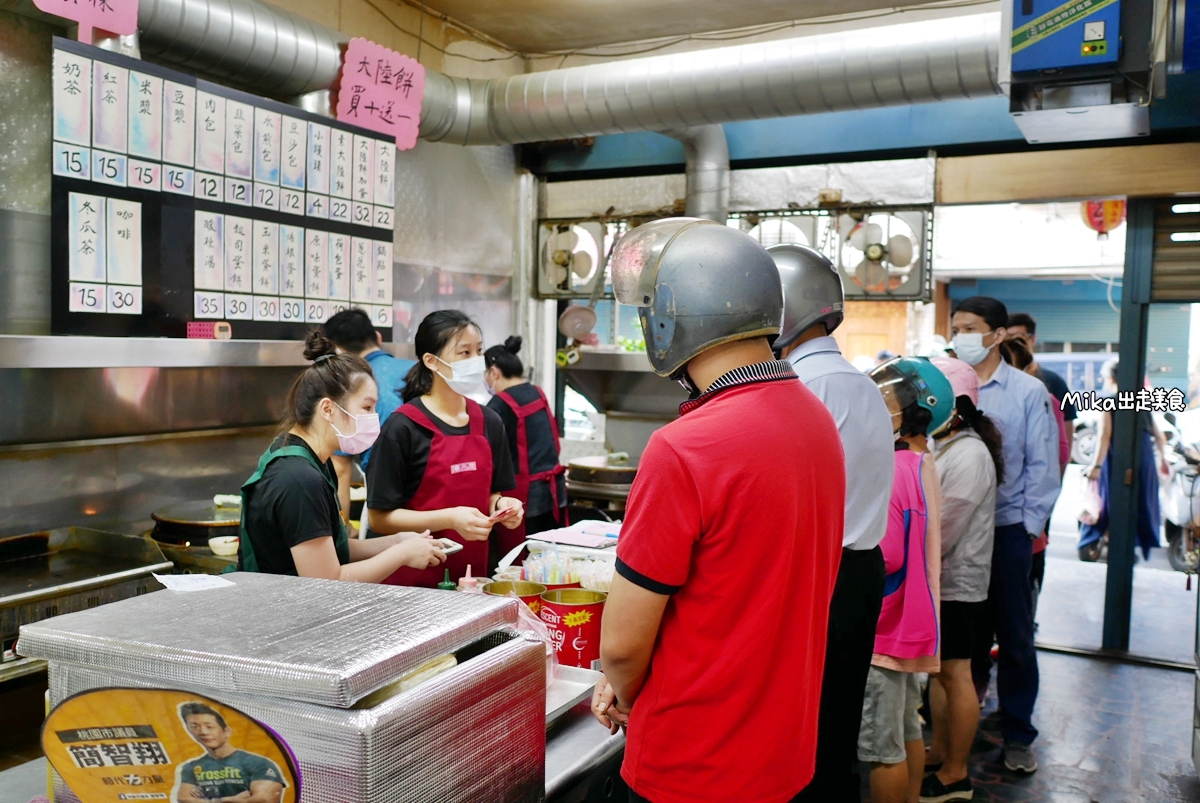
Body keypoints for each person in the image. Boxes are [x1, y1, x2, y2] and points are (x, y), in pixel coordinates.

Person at [589, 219, 844, 803]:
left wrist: (621, 692)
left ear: (670, 318)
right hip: (782, 756)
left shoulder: (685, 447)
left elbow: (623, 646)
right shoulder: (816, 420)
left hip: (691, 763)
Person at [770, 244, 894, 803]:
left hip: (815, 577)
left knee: (798, 733)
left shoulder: (799, 389)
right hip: (861, 573)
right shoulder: (862, 384)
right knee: (837, 727)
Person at [239, 331, 447, 582]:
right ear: (328, 409)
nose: (374, 418)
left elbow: (334, 549)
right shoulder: (299, 480)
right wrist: (401, 554)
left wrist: (397, 541)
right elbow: (327, 580)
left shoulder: (313, 462)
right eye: (367, 407)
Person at [951, 296, 1060, 774]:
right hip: (957, 532)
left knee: (1015, 637)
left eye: (970, 328)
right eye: (955, 328)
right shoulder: (948, 384)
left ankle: (1017, 733)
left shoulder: (1026, 392)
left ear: (997, 335)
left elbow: (1043, 468)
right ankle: (959, 729)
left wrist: (1027, 528)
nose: (960, 337)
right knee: (965, 636)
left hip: (1008, 530)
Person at [366, 310, 524, 587]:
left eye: (479, 351)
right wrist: (449, 518)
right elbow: (379, 519)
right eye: (464, 353)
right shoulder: (402, 427)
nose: (476, 361)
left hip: (472, 580)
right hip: (413, 583)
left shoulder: (489, 422)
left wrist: (502, 506)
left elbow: (490, 494)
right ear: (431, 361)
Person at [860, 357, 949, 803]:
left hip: (886, 630)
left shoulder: (894, 468)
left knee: (882, 750)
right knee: (907, 729)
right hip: (914, 624)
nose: (879, 402)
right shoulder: (920, 462)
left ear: (914, 410)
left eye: (889, 396)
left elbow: (887, 554)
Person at [921, 357, 1004, 803]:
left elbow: (943, 529)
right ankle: (940, 750)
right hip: (941, 581)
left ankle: (956, 772)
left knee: (957, 674)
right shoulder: (946, 444)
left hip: (957, 585)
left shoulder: (969, 454)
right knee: (940, 675)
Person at [323, 308, 416, 535]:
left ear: (338, 352)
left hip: (386, 504)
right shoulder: (417, 370)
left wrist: (344, 530)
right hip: (436, 498)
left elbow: (340, 471)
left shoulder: (350, 384)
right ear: (378, 337)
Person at [999, 335, 1069, 624]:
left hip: (1020, 523)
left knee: (1018, 613)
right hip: (995, 524)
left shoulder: (1040, 396)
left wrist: (1033, 521)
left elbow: (1057, 456)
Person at [484, 335, 567, 573]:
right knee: (547, 562)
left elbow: (490, 456)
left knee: (519, 565)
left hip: (524, 499)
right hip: (552, 494)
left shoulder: (499, 405)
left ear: (494, 372)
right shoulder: (536, 391)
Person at [1078, 358, 1167, 561]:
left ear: (1111, 378)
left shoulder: (1109, 401)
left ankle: (1114, 546)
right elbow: (1159, 436)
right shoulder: (1141, 402)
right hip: (1144, 462)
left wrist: (1096, 465)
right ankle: (1129, 546)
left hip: (1117, 460)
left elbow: (1104, 436)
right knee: (1138, 503)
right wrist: (1163, 459)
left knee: (1111, 502)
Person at [175, 702, 286, 803]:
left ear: (227, 731)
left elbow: (264, 800)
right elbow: (184, 800)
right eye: (195, 727)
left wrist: (204, 801)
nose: (203, 732)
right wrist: (230, 800)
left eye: (209, 726)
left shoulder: (258, 763)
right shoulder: (191, 767)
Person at [1006, 313, 1077, 462]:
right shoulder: (994, 381)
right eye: (1007, 338)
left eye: (1018, 337)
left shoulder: (1053, 382)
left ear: (1033, 339)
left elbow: (1065, 436)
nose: (1012, 343)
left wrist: (1058, 477)